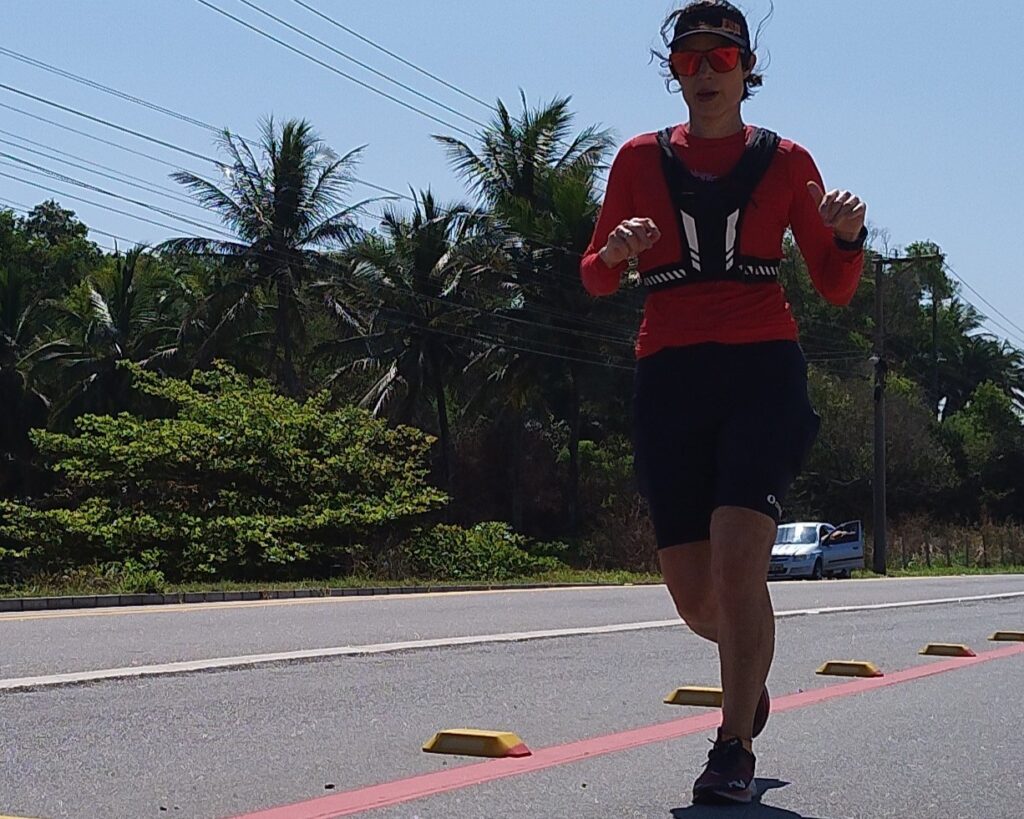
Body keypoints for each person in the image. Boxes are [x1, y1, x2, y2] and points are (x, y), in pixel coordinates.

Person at [579, 0, 867, 805]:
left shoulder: (785, 162)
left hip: (761, 373)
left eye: (719, 58)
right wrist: (614, 250)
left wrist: (847, 237)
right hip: (669, 376)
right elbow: (595, 276)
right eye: (688, 60)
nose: (704, 73)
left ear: (746, 68)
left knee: (741, 560)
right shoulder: (638, 159)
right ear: (673, 72)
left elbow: (836, 288)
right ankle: (750, 676)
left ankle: (732, 743)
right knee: (694, 594)